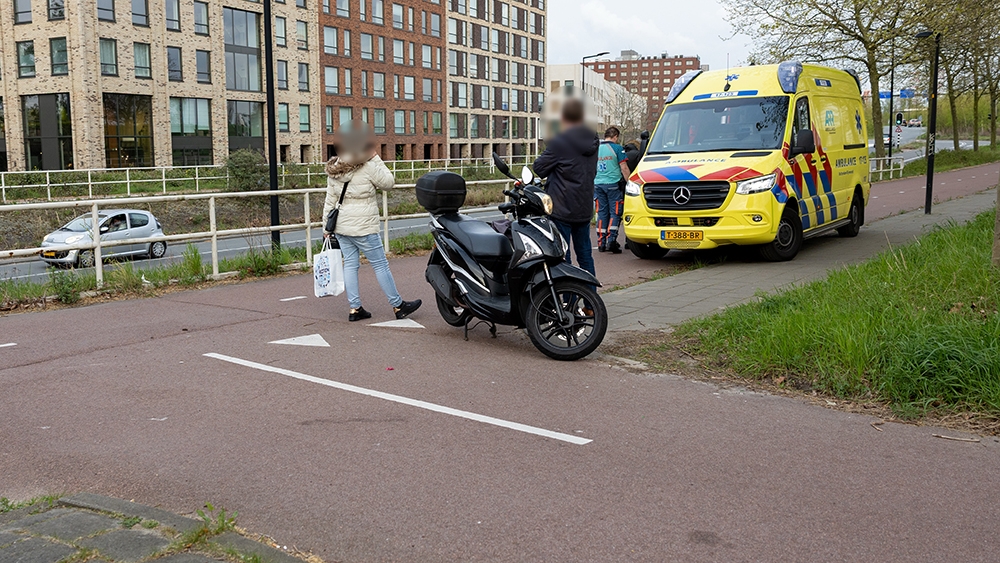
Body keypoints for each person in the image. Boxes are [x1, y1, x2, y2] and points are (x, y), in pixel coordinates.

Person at [323, 122, 421, 322]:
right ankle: (397, 305)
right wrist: (376, 158)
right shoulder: (367, 166)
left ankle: (355, 308)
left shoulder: (335, 168)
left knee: (350, 264)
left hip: (341, 224)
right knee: (380, 264)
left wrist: (326, 226)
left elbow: (330, 200)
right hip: (364, 225)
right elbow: (388, 183)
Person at [533, 98, 600, 275]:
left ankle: (569, 301)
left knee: (564, 256)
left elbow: (539, 167)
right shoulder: (593, 140)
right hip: (584, 206)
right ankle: (589, 300)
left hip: (562, 207)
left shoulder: (560, 142)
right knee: (585, 255)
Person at [593, 127, 630, 253]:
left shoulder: (596, 149)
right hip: (613, 184)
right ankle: (611, 241)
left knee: (602, 213)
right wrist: (629, 182)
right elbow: (624, 168)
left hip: (598, 184)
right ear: (615, 136)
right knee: (615, 212)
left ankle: (601, 243)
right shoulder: (617, 148)